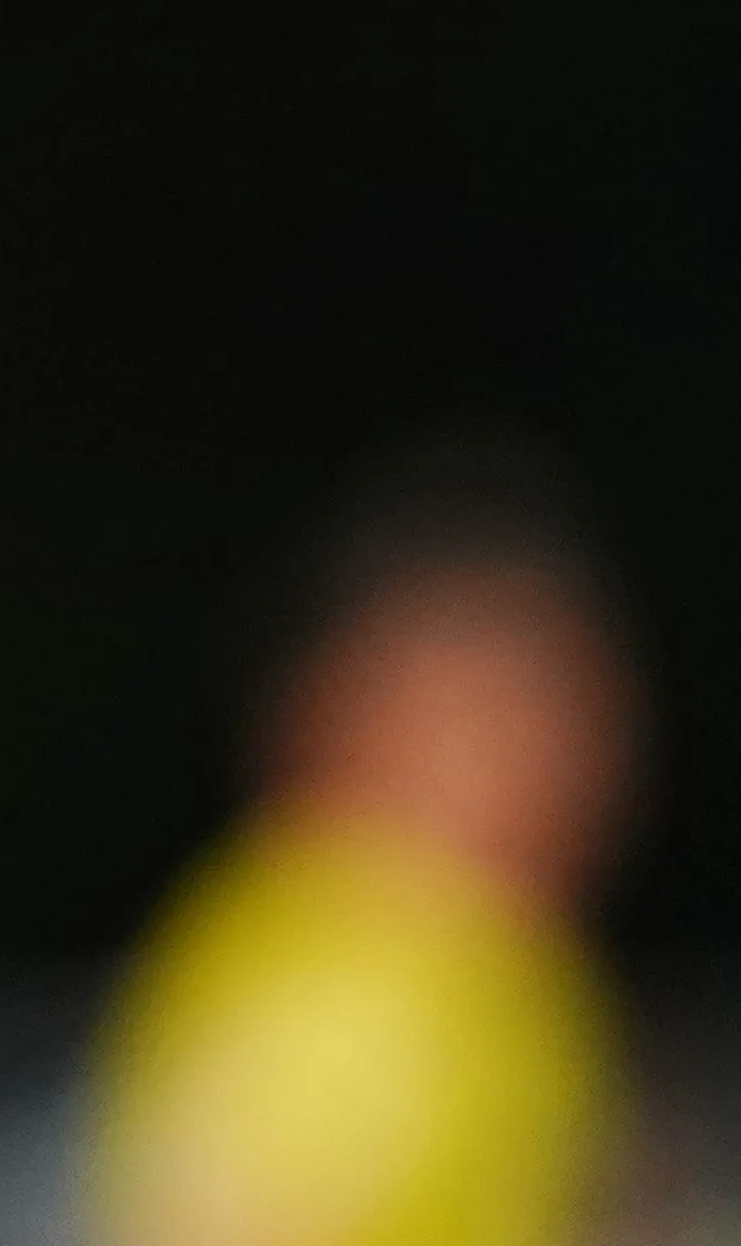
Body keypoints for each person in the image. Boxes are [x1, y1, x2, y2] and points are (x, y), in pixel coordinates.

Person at [75, 456, 639, 1246]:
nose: (568, 762)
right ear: (339, 711)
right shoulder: (351, 978)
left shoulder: (484, 965)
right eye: (496, 711)